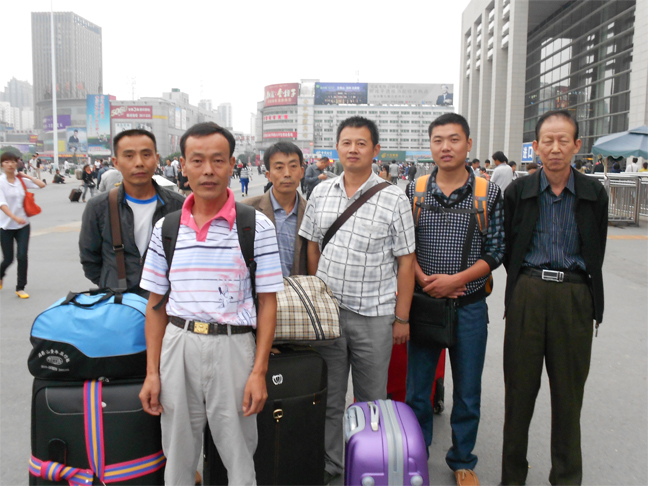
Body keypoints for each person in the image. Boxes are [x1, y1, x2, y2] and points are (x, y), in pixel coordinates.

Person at [138, 122, 284, 485]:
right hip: (178, 344)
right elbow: (155, 305)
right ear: (182, 166)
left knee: (239, 453)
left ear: (232, 164)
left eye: (218, 160)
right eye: (197, 160)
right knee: (177, 454)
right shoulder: (167, 229)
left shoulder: (256, 227)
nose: (208, 170)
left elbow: (268, 304)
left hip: (234, 346)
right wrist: (152, 373)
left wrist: (259, 372)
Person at [299, 116, 416, 483]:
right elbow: (312, 246)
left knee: (371, 403)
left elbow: (406, 261)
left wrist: (402, 317)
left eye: (361, 143)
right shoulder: (321, 192)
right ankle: (332, 465)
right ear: (337, 148)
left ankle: (367, 467)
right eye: (346, 143)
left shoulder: (394, 197)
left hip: (375, 317)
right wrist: (319, 296)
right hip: (329, 319)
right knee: (329, 399)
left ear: (375, 150)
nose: (353, 149)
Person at [502, 110, 608, 486]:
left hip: (575, 295)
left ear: (577, 145)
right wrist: (524, 285)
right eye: (548, 140)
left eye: (564, 140)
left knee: (568, 396)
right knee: (519, 394)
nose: (555, 148)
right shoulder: (518, 192)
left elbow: (596, 249)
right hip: (528, 292)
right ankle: (512, 477)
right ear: (536, 146)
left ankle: (566, 478)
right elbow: (510, 247)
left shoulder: (594, 193)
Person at [405, 113, 504, 486]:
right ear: (430, 145)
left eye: (454, 139)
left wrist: (456, 281)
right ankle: (416, 456)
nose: (445, 147)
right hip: (425, 305)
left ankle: (462, 460)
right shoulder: (414, 190)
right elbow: (404, 245)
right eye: (438, 140)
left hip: (469, 307)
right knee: (418, 390)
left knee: (467, 390)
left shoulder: (488, 192)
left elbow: (497, 250)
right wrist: (423, 280)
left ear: (468, 144)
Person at [79, 129, 185, 296]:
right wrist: (110, 282)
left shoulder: (178, 205)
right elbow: (90, 259)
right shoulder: (98, 206)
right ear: (116, 162)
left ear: (156, 159)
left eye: (146, 155)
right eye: (129, 156)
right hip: (117, 302)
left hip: (164, 302)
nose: (139, 163)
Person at [243, 141, 307, 276]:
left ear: (302, 172)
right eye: (279, 167)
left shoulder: (311, 212)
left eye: (293, 166)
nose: (287, 174)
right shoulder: (247, 210)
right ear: (269, 175)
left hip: (298, 288)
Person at [0, 151, 47, 298]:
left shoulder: (20, 180)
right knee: (8, 259)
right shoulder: (1, 182)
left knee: (22, 256)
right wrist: (14, 217)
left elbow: (42, 185)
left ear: (17, 164)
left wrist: (26, 176)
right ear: (2, 165)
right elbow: (2, 204)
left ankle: (20, 287)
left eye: (13, 161)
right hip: (5, 226)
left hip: (23, 225)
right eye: (6, 162)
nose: (10, 164)